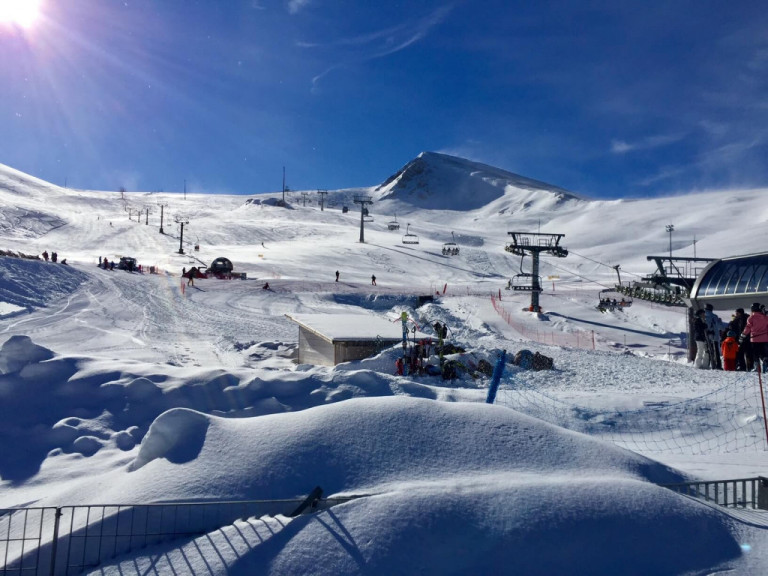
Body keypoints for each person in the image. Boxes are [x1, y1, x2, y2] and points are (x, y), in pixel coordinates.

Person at [741, 303, 768, 372]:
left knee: (755, 353)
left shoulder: (751, 318)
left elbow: (748, 327)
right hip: (765, 338)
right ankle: (765, 361)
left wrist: (743, 335)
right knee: (763, 352)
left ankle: (757, 368)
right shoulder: (765, 317)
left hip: (754, 339)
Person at [704, 303, 723, 369]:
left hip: (706, 336)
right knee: (716, 351)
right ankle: (717, 365)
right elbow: (720, 326)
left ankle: (707, 364)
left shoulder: (703, 316)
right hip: (715, 336)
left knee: (707, 351)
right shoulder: (714, 316)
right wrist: (720, 322)